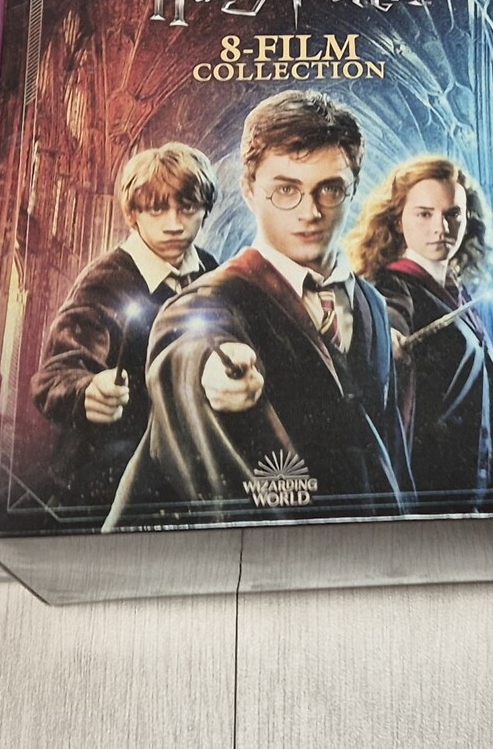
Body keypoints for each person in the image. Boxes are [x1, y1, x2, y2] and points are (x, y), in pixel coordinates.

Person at [107, 90, 408, 528]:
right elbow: (187, 347)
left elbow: (389, 445)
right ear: (249, 190)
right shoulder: (210, 300)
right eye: (286, 189)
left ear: (352, 189)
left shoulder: (372, 305)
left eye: (330, 189)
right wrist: (209, 372)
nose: (310, 212)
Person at [30, 143, 221, 512]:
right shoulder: (105, 280)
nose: (174, 224)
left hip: (189, 467)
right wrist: (86, 390)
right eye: (157, 209)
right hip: (107, 475)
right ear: (133, 214)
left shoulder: (211, 271)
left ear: (205, 210)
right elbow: (56, 374)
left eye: (187, 208)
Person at [347, 156, 493, 512]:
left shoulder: (457, 293)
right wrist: (389, 340)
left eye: (452, 214)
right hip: (432, 494)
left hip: (481, 493)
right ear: (398, 220)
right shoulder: (393, 287)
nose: (441, 227)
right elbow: (390, 318)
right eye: (424, 214)